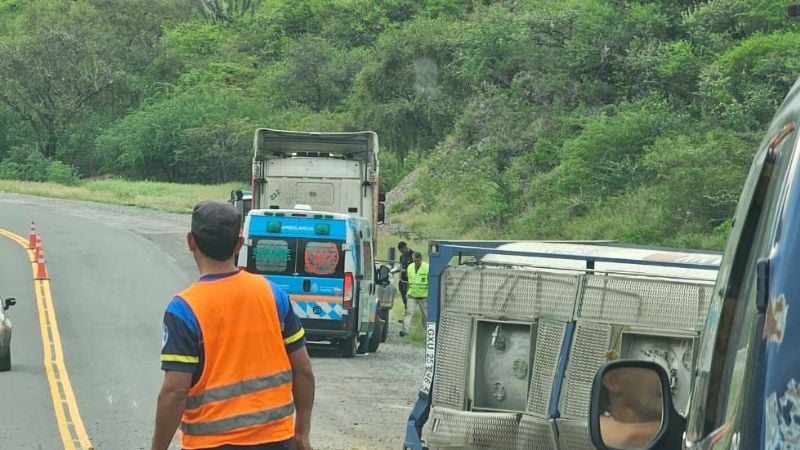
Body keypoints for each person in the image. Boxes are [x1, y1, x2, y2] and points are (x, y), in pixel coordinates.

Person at [151, 200, 315, 450]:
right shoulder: (272, 295)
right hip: (277, 441)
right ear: (238, 244)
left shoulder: (184, 309)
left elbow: (175, 391)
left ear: (190, 242)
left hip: (210, 444)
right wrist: (301, 432)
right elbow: (303, 370)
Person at [599, 366, 663, 449]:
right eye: (647, 368)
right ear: (613, 381)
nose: (659, 377)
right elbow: (632, 437)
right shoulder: (604, 429)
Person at [401, 252, 429, 337]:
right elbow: (409, 281)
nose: (416, 262)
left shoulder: (427, 267)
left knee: (426, 315)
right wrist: (407, 292)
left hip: (423, 296)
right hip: (411, 295)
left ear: (421, 259)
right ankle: (405, 332)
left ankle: (428, 333)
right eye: (414, 260)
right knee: (408, 313)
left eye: (417, 260)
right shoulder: (410, 267)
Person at [397, 241, 414, 312]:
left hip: (410, 280)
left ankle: (409, 313)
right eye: (401, 251)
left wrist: (406, 270)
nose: (402, 253)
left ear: (406, 247)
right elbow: (401, 266)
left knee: (410, 298)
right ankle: (406, 312)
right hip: (403, 279)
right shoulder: (401, 257)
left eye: (403, 251)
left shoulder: (414, 255)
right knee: (404, 297)